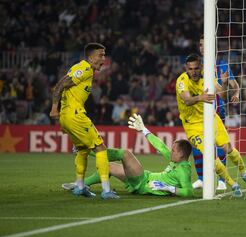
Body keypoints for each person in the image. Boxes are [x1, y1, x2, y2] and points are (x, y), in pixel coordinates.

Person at [175, 53, 246, 197]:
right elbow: (187, 100)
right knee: (210, 155)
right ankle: (232, 183)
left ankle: (245, 173)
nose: (193, 72)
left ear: (200, 67)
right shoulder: (182, 81)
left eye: (196, 68)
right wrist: (201, 97)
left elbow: (223, 96)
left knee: (228, 148)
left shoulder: (207, 77)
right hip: (193, 126)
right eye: (190, 69)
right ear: (186, 69)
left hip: (211, 118)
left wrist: (225, 83)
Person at [62, 114, 194, 197]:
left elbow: (189, 192)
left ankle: (88, 151)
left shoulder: (183, 170)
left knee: (125, 153)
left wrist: (169, 188)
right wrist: (144, 130)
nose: (170, 151)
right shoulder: (176, 160)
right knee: (109, 166)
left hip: (143, 182)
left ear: (182, 154)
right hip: (145, 179)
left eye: (174, 150)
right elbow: (161, 146)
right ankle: (79, 185)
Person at [49, 43, 118, 199]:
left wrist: (62, 118)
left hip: (68, 116)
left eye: (104, 55)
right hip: (75, 115)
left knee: (83, 149)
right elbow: (60, 84)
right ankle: (107, 191)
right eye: (101, 55)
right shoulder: (85, 68)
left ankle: (80, 187)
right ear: (91, 57)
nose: (104, 59)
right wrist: (54, 108)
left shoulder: (82, 69)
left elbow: (66, 88)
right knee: (100, 148)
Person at [192, 35, 240, 190]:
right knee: (196, 143)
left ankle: (221, 180)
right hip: (200, 109)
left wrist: (236, 93)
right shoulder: (196, 67)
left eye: (205, 45)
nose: (202, 47)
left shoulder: (221, 65)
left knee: (219, 144)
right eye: (200, 44)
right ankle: (201, 178)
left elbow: (234, 86)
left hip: (218, 109)